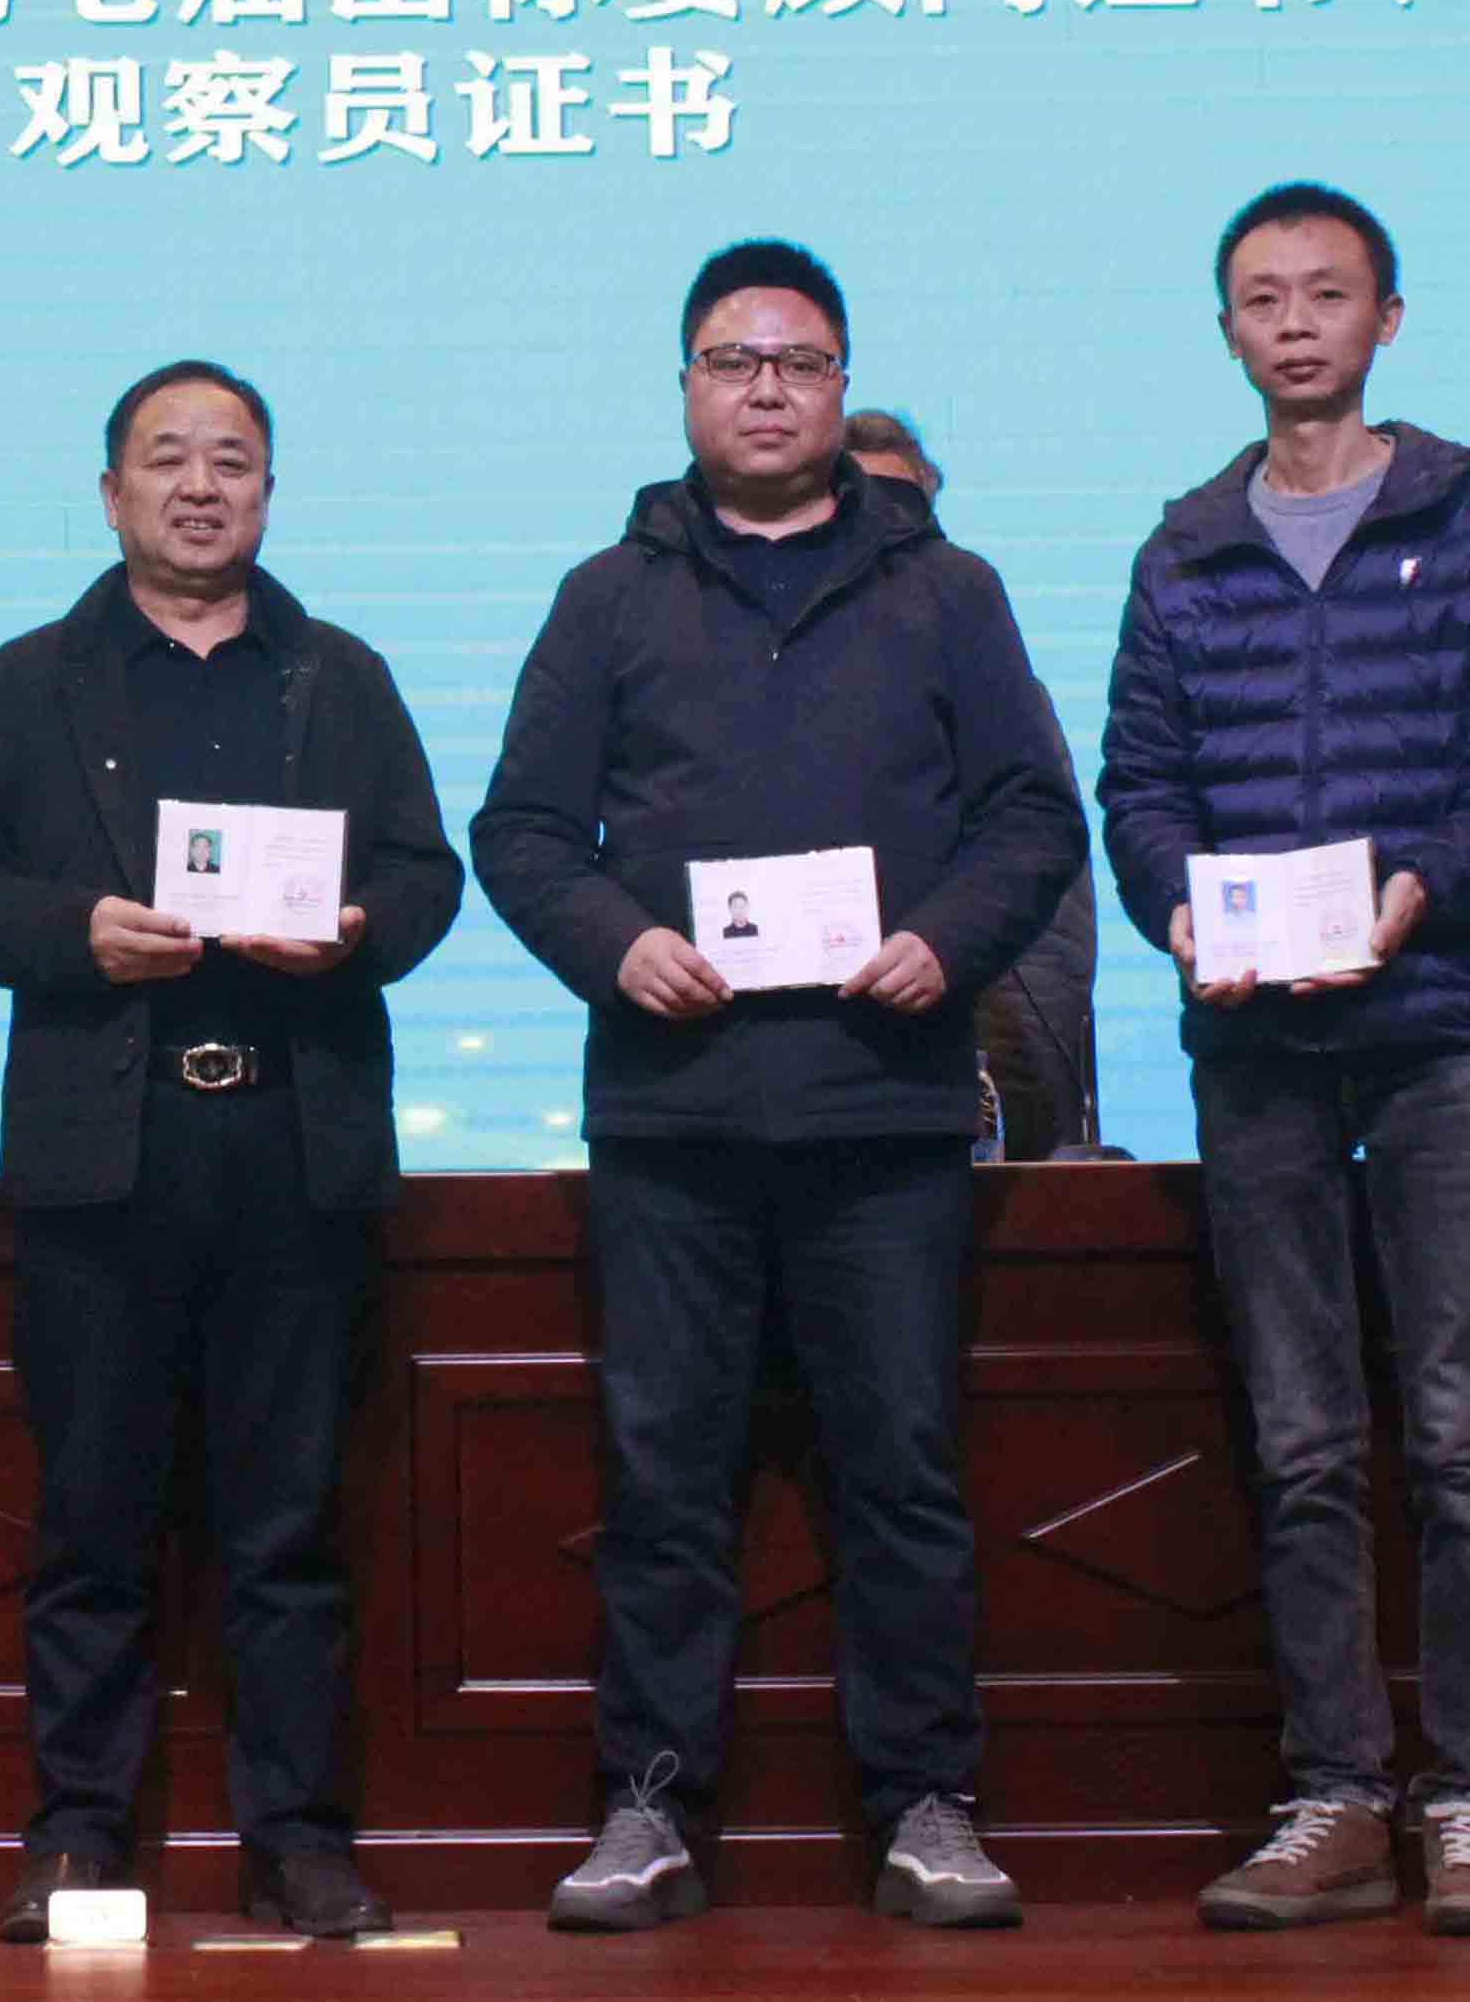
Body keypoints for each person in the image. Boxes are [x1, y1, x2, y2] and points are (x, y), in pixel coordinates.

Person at [471, 241, 1085, 1933]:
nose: (765, 389)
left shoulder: (945, 591)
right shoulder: (606, 596)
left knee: (901, 1471)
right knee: (661, 1478)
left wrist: (943, 942)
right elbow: (521, 832)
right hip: (672, 1115)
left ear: (838, 387)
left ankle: (927, 1804)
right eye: (732, 361)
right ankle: (648, 1805)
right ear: (684, 387)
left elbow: (1033, 815)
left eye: (798, 363)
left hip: (881, 1107)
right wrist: (618, 948)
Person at [1097, 182, 1470, 1939]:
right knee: (1301, 1441)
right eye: (1261, 298)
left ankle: (1465, 1800)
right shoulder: (1182, 550)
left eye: (1326, 294)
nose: (1295, 323)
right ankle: (1330, 1793)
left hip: (1439, 1037)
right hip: (1255, 1048)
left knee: (1458, 1435)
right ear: (1226, 331)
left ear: (1384, 318)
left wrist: (1428, 883)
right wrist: (1175, 905)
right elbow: (1137, 787)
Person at [0, 359, 463, 1942]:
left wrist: (353, 931)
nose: (200, 486)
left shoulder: (340, 676)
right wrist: (76, 934)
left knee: (288, 1524)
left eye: (231, 460)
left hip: (292, 1139)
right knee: (92, 1517)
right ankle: (77, 1839)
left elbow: (425, 875)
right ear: (111, 492)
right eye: (167, 458)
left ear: (269, 492)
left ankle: (299, 1843)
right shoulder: (30, 680)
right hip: (108, 1146)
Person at [843, 409, 1104, 1160]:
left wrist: (1034, 1063)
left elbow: (1053, 901)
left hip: (992, 1029)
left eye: (903, 506)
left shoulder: (992, 671)